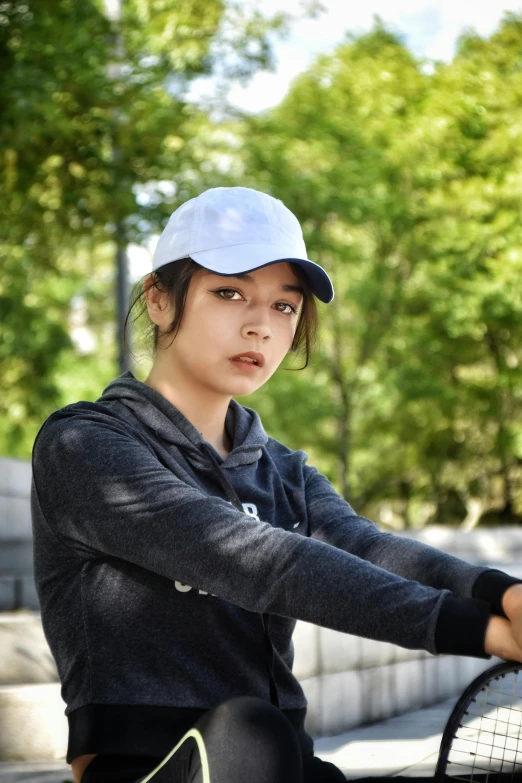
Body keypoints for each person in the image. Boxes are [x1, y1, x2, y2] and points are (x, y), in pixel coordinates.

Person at [31, 186, 522, 783]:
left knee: (270, 740)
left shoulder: (283, 471)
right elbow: (264, 562)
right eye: (229, 293)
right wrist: (483, 631)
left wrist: (501, 592)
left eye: (285, 307)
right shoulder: (84, 446)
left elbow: (367, 548)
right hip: (149, 766)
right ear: (159, 300)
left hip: (285, 760)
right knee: (249, 733)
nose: (261, 326)